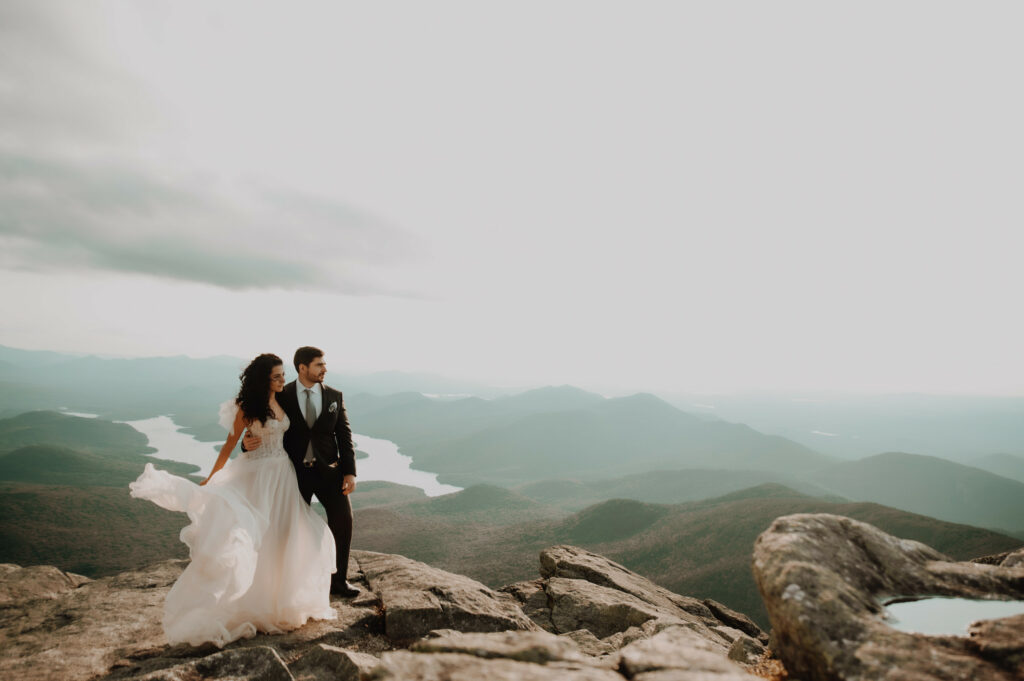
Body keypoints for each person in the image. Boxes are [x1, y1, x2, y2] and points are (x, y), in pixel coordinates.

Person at [129, 353, 337, 647]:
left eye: (282, 375)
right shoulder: (247, 407)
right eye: (276, 376)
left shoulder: (284, 399)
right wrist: (214, 476)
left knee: (285, 535)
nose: (282, 380)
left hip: (283, 476)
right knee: (257, 537)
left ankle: (282, 601)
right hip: (258, 476)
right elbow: (230, 444)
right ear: (264, 379)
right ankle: (253, 603)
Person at [242, 346, 359, 597]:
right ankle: (285, 583)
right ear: (302, 368)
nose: (324, 369)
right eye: (319, 365)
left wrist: (350, 472)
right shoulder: (282, 393)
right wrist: (245, 443)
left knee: (343, 521)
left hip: (330, 473)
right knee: (287, 529)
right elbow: (259, 423)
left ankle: (338, 582)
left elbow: (345, 436)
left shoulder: (335, 397)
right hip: (293, 474)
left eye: (324, 364)